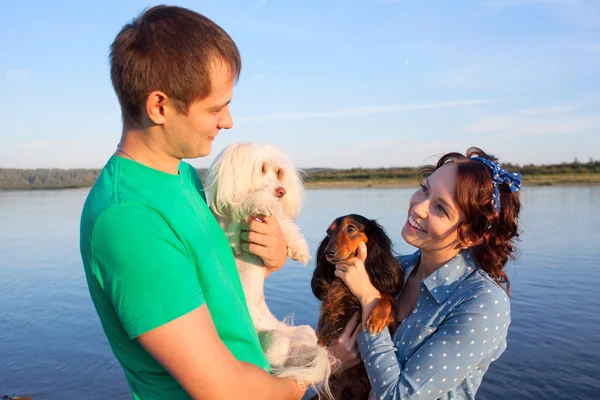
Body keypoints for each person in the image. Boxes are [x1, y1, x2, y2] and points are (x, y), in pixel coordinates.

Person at [79, 5, 306, 400]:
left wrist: (269, 262)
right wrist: (302, 380)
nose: (228, 121)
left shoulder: (181, 176)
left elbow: (213, 289)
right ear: (159, 107)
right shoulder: (130, 220)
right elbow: (222, 390)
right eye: (215, 108)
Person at [332, 147, 521, 399]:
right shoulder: (395, 271)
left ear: (471, 235)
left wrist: (369, 299)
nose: (419, 207)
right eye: (425, 189)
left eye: (441, 208)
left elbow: (397, 396)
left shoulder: (483, 304)